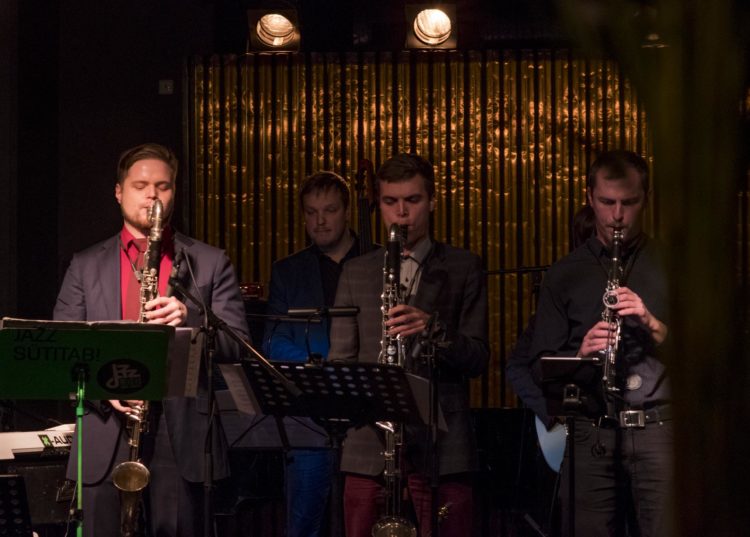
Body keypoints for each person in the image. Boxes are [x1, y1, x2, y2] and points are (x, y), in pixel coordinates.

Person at [54, 143, 250, 537]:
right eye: (140, 186)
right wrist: (101, 388)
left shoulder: (210, 262)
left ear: (174, 192)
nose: (152, 196)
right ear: (118, 192)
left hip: (181, 435)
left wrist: (191, 320)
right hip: (107, 427)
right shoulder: (85, 264)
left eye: (163, 186)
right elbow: (63, 350)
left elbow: (238, 346)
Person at [328, 153, 489, 536]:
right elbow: (341, 361)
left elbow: (478, 358)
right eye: (390, 202)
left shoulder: (463, 266)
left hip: (442, 445)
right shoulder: (355, 271)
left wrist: (432, 329)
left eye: (412, 200)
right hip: (369, 445)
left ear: (431, 201)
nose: (401, 213)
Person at [528, 150, 670, 537]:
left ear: (646, 199)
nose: (617, 215)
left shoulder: (672, 266)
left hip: (659, 430)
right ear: (589, 198)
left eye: (629, 202)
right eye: (607, 202)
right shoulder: (565, 273)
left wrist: (651, 322)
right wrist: (580, 354)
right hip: (591, 432)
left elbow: (707, 357)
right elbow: (539, 366)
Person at [264, 171, 361, 537]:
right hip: (310, 411)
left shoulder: (377, 262)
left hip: (365, 409)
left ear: (347, 211)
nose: (320, 221)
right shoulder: (287, 271)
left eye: (330, 210)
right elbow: (273, 341)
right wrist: (319, 370)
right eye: (311, 212)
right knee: (304, 522)